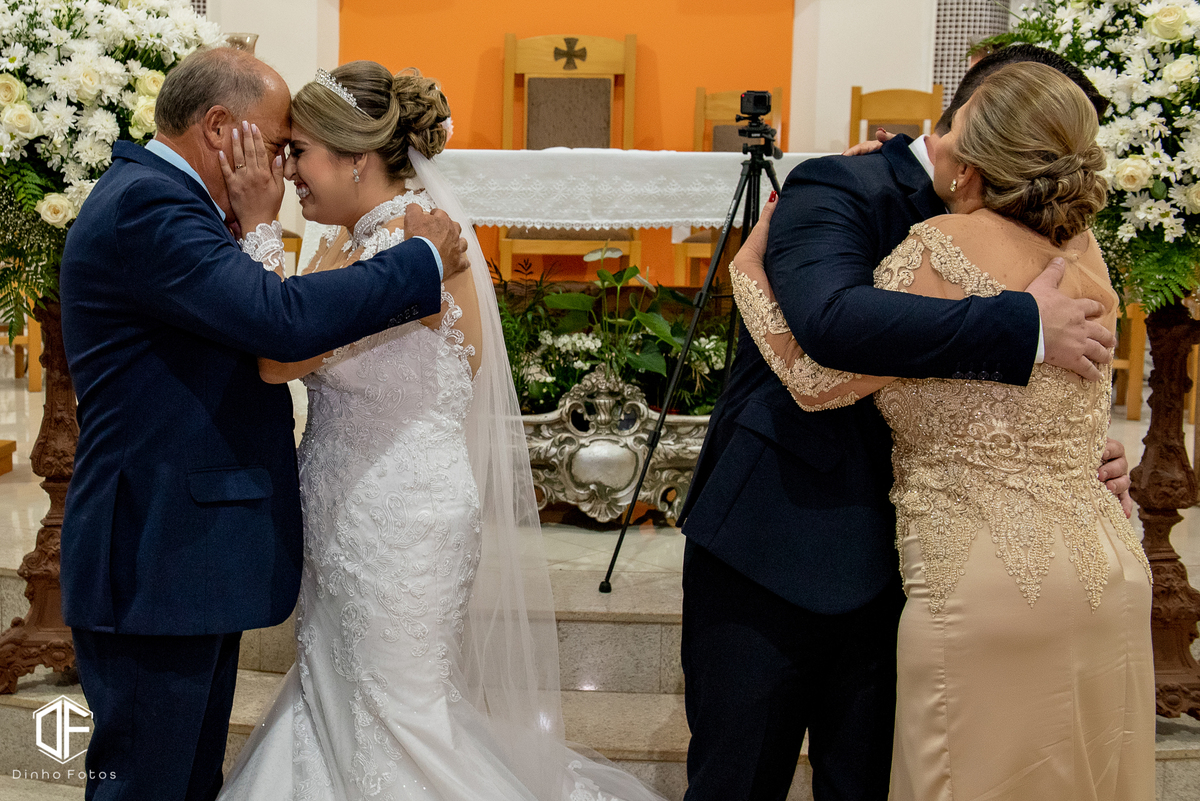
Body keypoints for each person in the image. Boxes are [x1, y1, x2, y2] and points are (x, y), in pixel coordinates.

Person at [676, 45, 1133, 801]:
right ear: (981, 120)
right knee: (738, 781)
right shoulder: (839, 182)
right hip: (782, 539)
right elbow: (830, 322)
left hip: (939, 569)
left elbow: (1064, 384)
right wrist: (1023, 326)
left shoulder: (1051, 232)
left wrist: (1077, 455)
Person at [215, 62, 668, 801]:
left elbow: (278, 355)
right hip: (343, 516)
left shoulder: (420, 241)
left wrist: (261, 227)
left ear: (357, 157)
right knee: (343, 704)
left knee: (400, 718)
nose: (288, 169)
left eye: (300, 152)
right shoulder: (346, 242)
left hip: (400, 523)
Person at [59, 47, 470, 801]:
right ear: (220, 127)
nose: (281, 166)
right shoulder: (151, 206)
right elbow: (278, 323)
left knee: (184, 779)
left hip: (189, 553)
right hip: (156, 554)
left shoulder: (172, 202)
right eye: (277, 143)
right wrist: (417, 261)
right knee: (146, 782)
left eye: (292, 150)